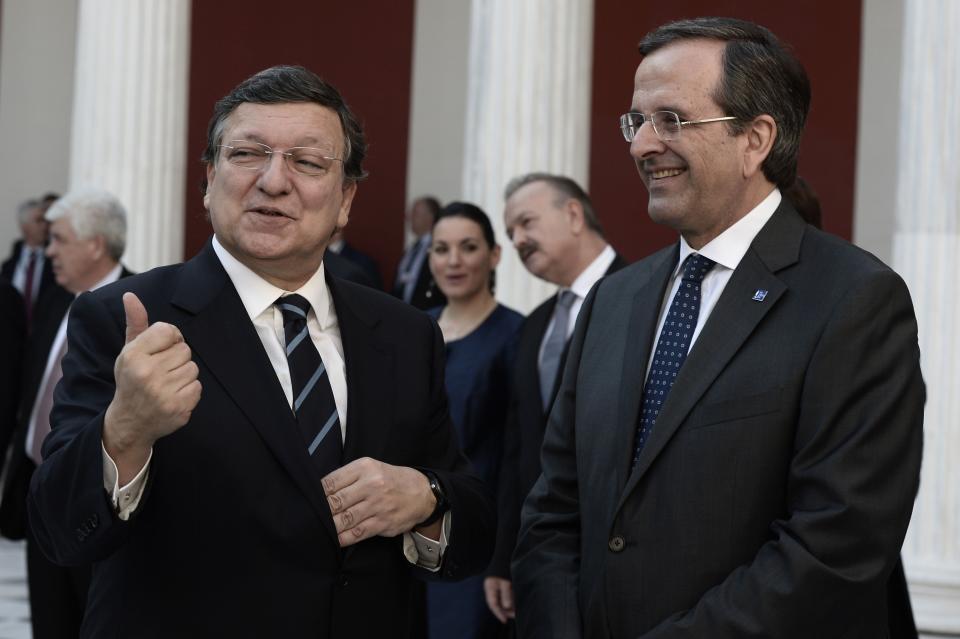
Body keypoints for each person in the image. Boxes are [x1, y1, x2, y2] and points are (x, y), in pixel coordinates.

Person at [27, 65, 494, 638]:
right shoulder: (127, 320)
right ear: (208, 179)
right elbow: (57, 530)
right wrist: (124, 431)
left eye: (307, 162)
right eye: (248, 154)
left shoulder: (403, 333)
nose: (274, 181)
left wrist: (425, 496)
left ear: (346, 198)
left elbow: (471, 521)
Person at [512, 17, 924, 639]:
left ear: (755, 140)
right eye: (637, 121)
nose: (640, 145)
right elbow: (553, 510)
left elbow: (835, 543)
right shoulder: (612, 302)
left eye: (671, 120)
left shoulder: (854, 300)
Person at [484, 173, 626, 626]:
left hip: (621, 563)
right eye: (510, 234)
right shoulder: (534, 326)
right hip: (542, 568)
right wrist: (504, 554)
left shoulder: (651, 297)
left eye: (526, 222)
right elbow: (518, 451)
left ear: (572, 214)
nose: (518, 240)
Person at [0, 189, 131, 639]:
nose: (48, 250)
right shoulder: (57, 301)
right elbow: (28, 392)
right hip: (42, 494)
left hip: (99, 511)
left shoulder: (138, 307)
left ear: (94, 244)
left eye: (59, 239)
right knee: (49, 622)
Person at [424, 202, 523, 638]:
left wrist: (505, 557)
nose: (454, 261)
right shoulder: (412, 331)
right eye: (441, 249)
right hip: (408, 535)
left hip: (478, 539)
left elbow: (521, 454)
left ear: (494, 255)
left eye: (468, 247)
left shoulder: (517, 334)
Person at [1, 196, 62, 323]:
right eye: (39, 221)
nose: (45, 226)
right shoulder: (9, 265)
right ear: (24, 226)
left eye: (46, 221)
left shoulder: (56, 262)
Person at [394, 195, 447, 309]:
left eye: (415, 214)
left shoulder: (440, 248)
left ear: (431, 218)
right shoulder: (412, 249)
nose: (409, 218)